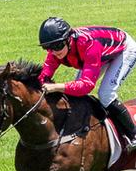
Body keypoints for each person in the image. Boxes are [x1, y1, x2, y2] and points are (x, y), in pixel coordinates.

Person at [38, 17, 136, 151]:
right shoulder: (54, 52)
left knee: (106, 94)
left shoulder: (90, 44)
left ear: (69, 39)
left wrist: (56, 87)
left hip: (123, 49)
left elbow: (86, 86)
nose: (54, 51)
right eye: (48, 47)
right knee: (74, 94)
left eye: (58, 46)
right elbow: (43, 76)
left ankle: (133, 134)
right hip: (100, 52)